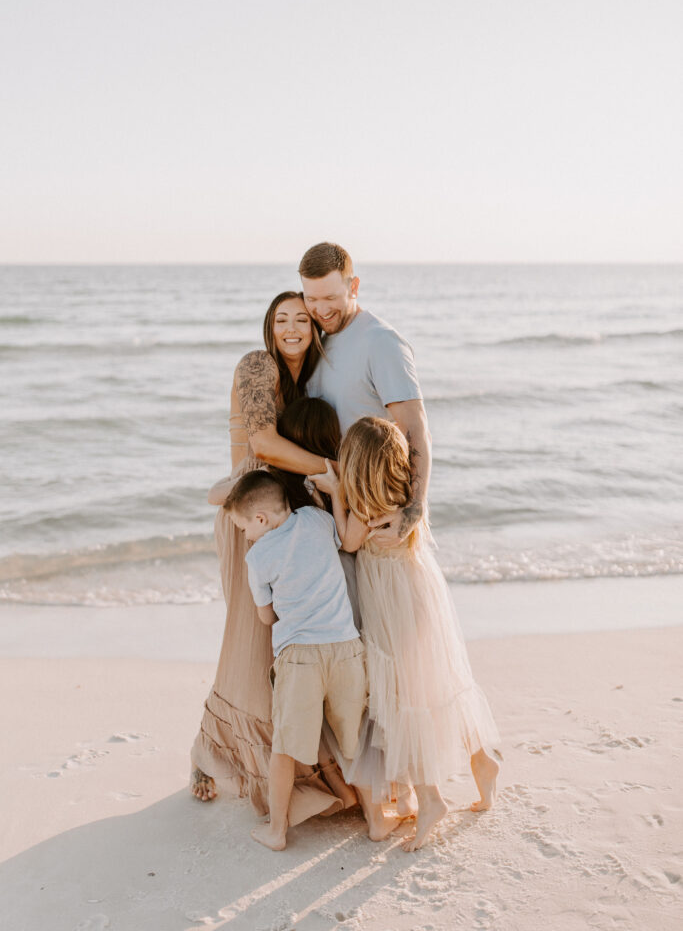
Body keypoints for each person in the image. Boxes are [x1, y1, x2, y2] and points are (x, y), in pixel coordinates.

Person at [190, 292, 354, 824]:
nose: (291, 328)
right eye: (281, 319)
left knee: (287, 641)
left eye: (301, 319)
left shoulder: (308, 379)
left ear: (314, 328)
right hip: (253, 523)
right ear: (269, 326)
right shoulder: (258, 366)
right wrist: (338, 470)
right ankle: (211, 754)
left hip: (292, 520)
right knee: (251, 638)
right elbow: (262, 442)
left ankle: (298, 758)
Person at [312, 417, 501, 851]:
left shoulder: (363, 507)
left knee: (406, 698)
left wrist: (337, 492)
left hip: (390, 608)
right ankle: (482, 762)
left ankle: (432, 798)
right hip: (423, 591)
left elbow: (348, 542)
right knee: (444, 681)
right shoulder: (404, 499)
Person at [225, 469, 367, 851]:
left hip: (300, 657)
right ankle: (380, 818)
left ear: (261, 519)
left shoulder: (258, 557)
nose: (245, 535)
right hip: (346, 648)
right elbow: (344, 538)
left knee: (285, 748)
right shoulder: (317, 521)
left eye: (243, 527)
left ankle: (277, 830)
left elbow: (267, 617)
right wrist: (336, 492)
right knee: (355, 742)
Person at [299, 242, 430, 548]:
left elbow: (415, 427)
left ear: (354, 286)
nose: (321, 310)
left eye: (331, 297)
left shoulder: (380, 342)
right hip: (337, 516)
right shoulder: (315, 340)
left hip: (375, 519)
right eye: (312, 299)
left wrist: (414, 509)